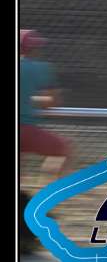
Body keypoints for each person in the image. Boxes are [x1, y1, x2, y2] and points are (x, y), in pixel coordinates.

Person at [20, 29, 72, 181]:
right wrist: (31, 100)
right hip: (25, 129)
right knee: (64, 149)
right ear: (34, 49)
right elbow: (53, 101)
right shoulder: (41, 68)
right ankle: (51, 189)